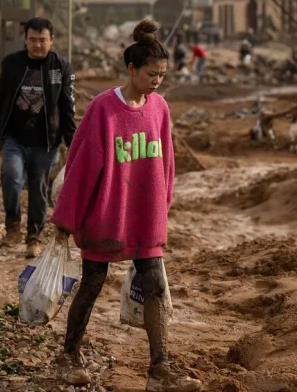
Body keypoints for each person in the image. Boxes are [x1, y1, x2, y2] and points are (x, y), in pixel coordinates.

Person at [51, 19, 202, 392]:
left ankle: (160, 370)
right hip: (106, 216)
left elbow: (166, 160)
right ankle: (68, 356)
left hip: (144, 217)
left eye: (163, 76)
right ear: (131, 69)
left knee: (155, 286)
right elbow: (81, 166)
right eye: (151, 74)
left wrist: (163, 203)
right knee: (92, 283)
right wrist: (66, 219)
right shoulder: (104, 109)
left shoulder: (160, 109)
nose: (157, 81)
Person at [0, 17, 76, 258]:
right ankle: (12, 225)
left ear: (51, 40)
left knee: (38, 189)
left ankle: (33, 237)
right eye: (32, 40)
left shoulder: (60, 68)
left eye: (42, 40)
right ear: (25, 40)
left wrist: (72, 141)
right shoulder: (12, 64)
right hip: (15, 138)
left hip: (46, 142)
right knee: (11, 175)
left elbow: (67, 107)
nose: (37, 45)